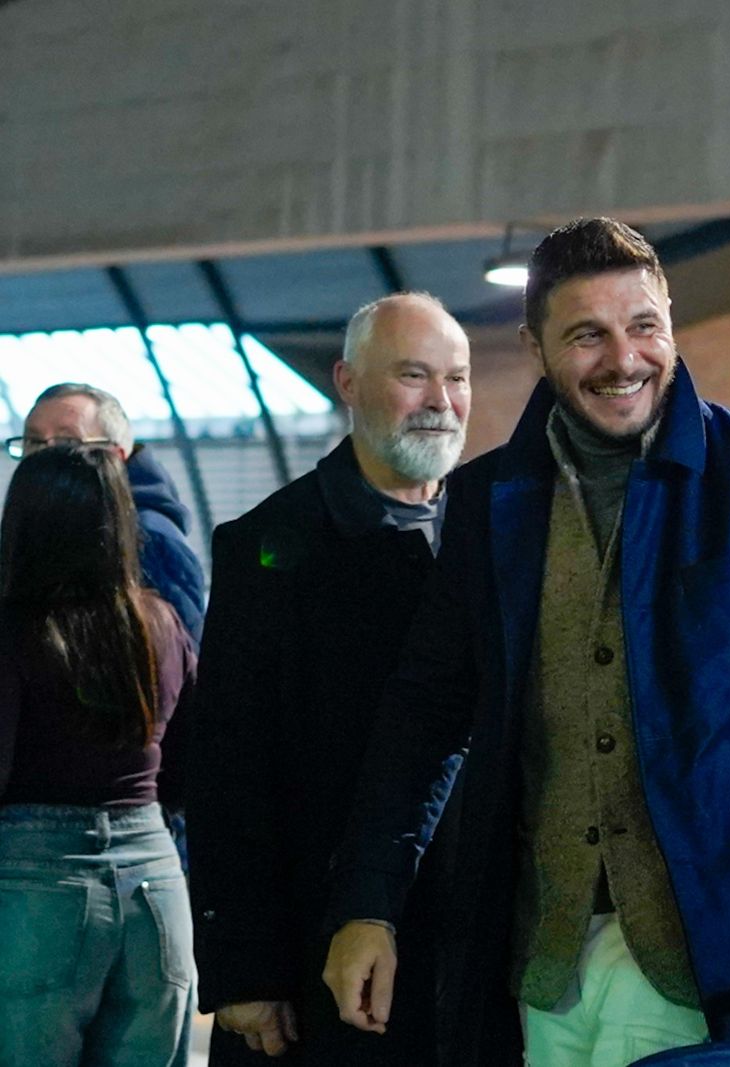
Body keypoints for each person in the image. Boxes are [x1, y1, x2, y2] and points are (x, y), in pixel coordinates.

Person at [322, 218, 730, 1066]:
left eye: (643, 326)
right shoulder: (486, 500)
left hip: (711, 954)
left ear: (670, 316)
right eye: (586, 335)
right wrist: (368, 906)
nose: (624, 357)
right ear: (535, 346)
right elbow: (422, 717)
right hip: (534, 961)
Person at [186, 292, 472, 1064]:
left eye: (457, 378)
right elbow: (228, 767)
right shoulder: (271, 547)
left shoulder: (494, 535)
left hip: (474, 957)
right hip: (319, 958)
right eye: (414, 376)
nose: (441, 402)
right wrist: (245, 968)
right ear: (347, 383)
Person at [0, 445, 197, 1067]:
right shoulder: (161, 625)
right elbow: (194, 763)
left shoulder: (13, 631)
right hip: (156, 883)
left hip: (35, 884)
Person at [12, 383, 206, 642]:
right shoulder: (36, 529)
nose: (43, 456)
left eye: (68, 441)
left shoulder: (150, 538)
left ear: (115, 455)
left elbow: (182, 661)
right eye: (33, 441)